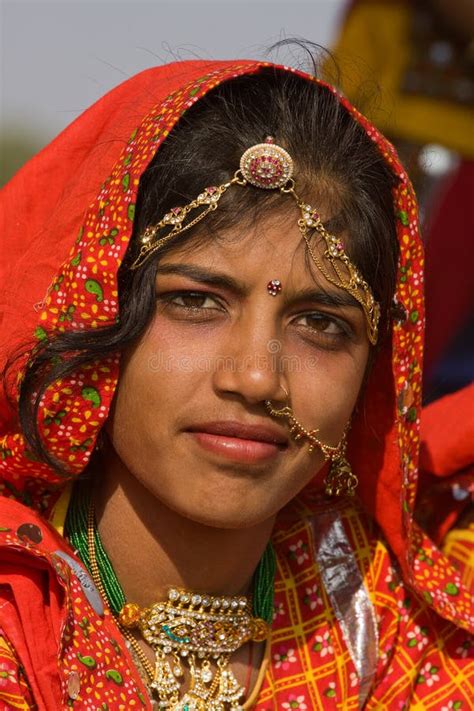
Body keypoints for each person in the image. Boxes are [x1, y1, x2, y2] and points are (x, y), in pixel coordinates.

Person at [0, 57, 472, 710]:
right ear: (95, 312)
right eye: (196, 301)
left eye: (319, 322)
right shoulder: (16, 612)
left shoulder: (390, 631)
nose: (256, 378)